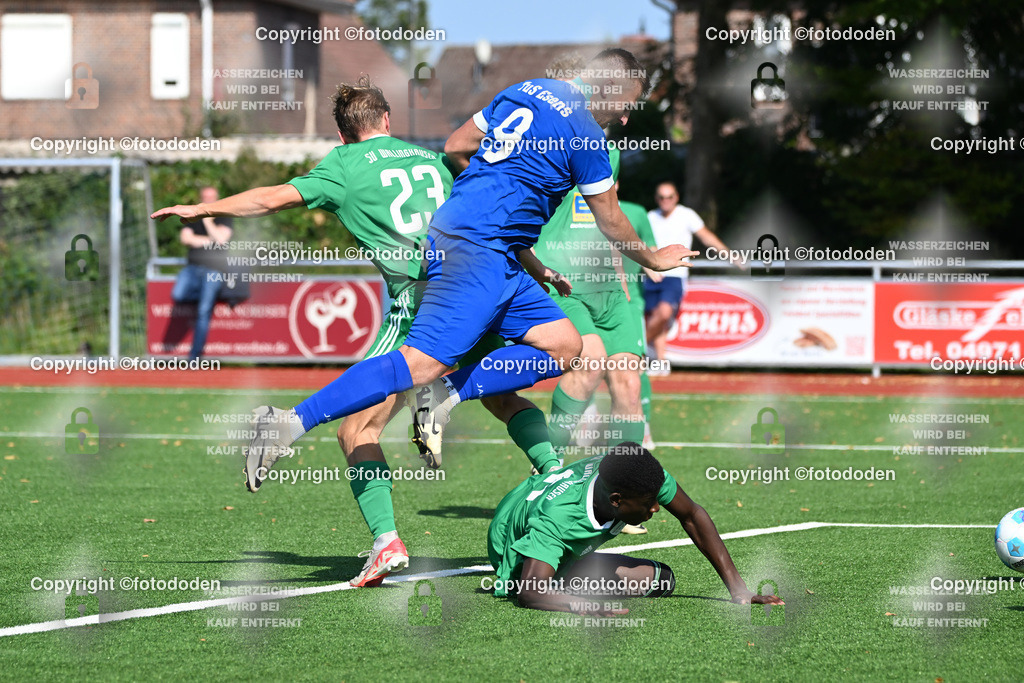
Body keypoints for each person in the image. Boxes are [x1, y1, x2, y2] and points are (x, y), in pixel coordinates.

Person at [152, 77, 563, 587]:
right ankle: (554, 471)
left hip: (421, 301)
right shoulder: (432, 159)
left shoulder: (343, 166)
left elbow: (272, 198)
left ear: (343, 135)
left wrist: (205, 208)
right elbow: (484, 220)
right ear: (387, 121)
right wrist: (538, 266)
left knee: (357, 430)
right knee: (504, 394)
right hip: (479, 283)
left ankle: (385, 539)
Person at [238, 49, 697, 483]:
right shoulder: (588, 136)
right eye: (627, 105)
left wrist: (491, 190)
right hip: (476, 249)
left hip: (494, 249)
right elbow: (612, 219)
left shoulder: (527, 88)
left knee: (563, 345)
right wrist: (654, 257)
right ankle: (289, 422)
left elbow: (457, 145)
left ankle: (444, 396)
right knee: (419, 365)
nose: (624, 117)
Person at [487, 442, 784, 614]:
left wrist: (739, 590)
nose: (657, 508)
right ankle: (564, 577)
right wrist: (583, 605)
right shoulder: (559, 519)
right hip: (511, 540)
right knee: (550, 586)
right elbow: (529, 592)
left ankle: (568, 574)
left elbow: (692, 515)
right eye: (649, 503)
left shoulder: (637, 476)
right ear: (617, 500)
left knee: (661, 581)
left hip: (545, 504)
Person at [643, 182, 738, 370]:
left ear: (676, 197)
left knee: (663, 313)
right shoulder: (650, 217)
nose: (665, 201)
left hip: (675, 274)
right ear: (656, 199)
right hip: (652, 273)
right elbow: (640, 244)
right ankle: (660, 362)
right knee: (655, 318)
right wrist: (646, 267)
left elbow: (706, 236)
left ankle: (635, 349)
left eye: (669, 197)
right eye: (661, 197)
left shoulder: (686, 215)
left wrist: (729, 254)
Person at [171, 186, 233, 360]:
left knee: (203, 311)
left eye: (212, 198)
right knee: (178, 294)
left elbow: (221, 240)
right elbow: (185, 239)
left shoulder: (225, 217)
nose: (209, 201)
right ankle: (204, 294)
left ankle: (194, 357)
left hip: (214, 271)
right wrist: (210, 240)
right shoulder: (192, 216)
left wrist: (207, 221)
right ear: (200, 198)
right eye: (205, 197)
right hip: (193, 269)